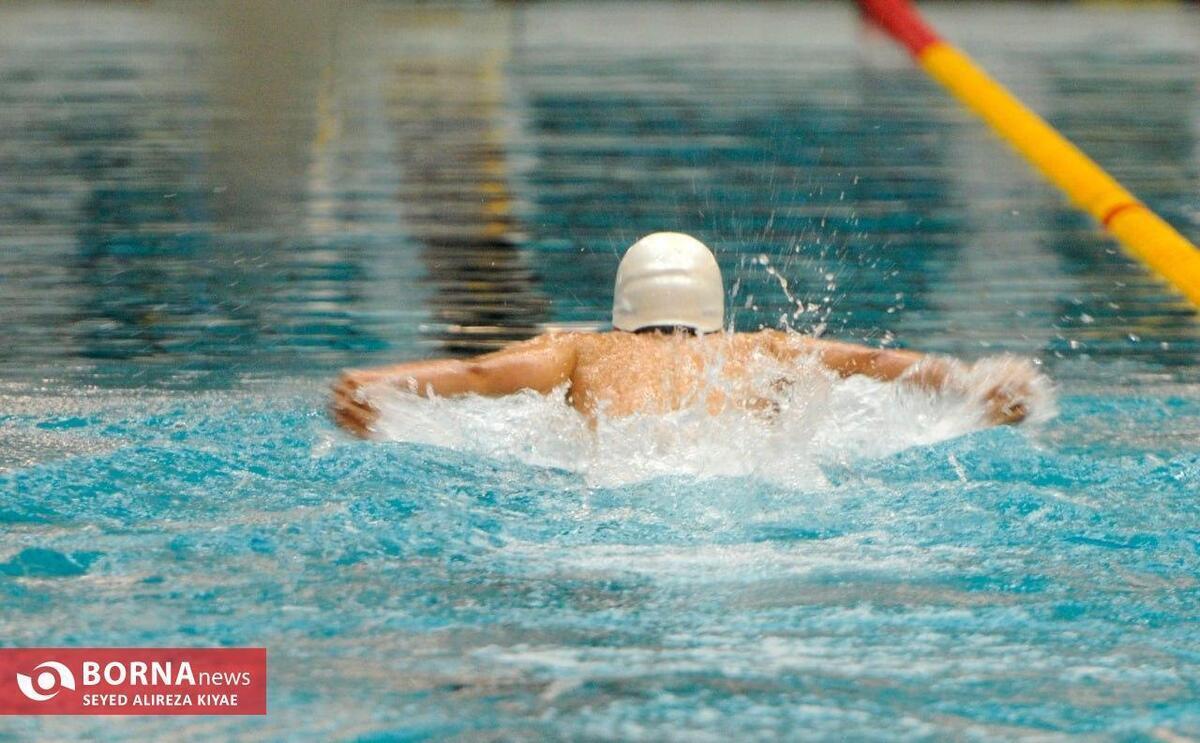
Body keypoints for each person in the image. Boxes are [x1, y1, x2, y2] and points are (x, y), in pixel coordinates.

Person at [332, 232, 1039, 437]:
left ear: (621, 303)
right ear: (715, 306)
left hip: (617, 499)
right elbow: (872, 359)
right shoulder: (761, 347)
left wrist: (379, 387)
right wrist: (979, 386)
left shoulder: (581, 349)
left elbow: (481, 375)